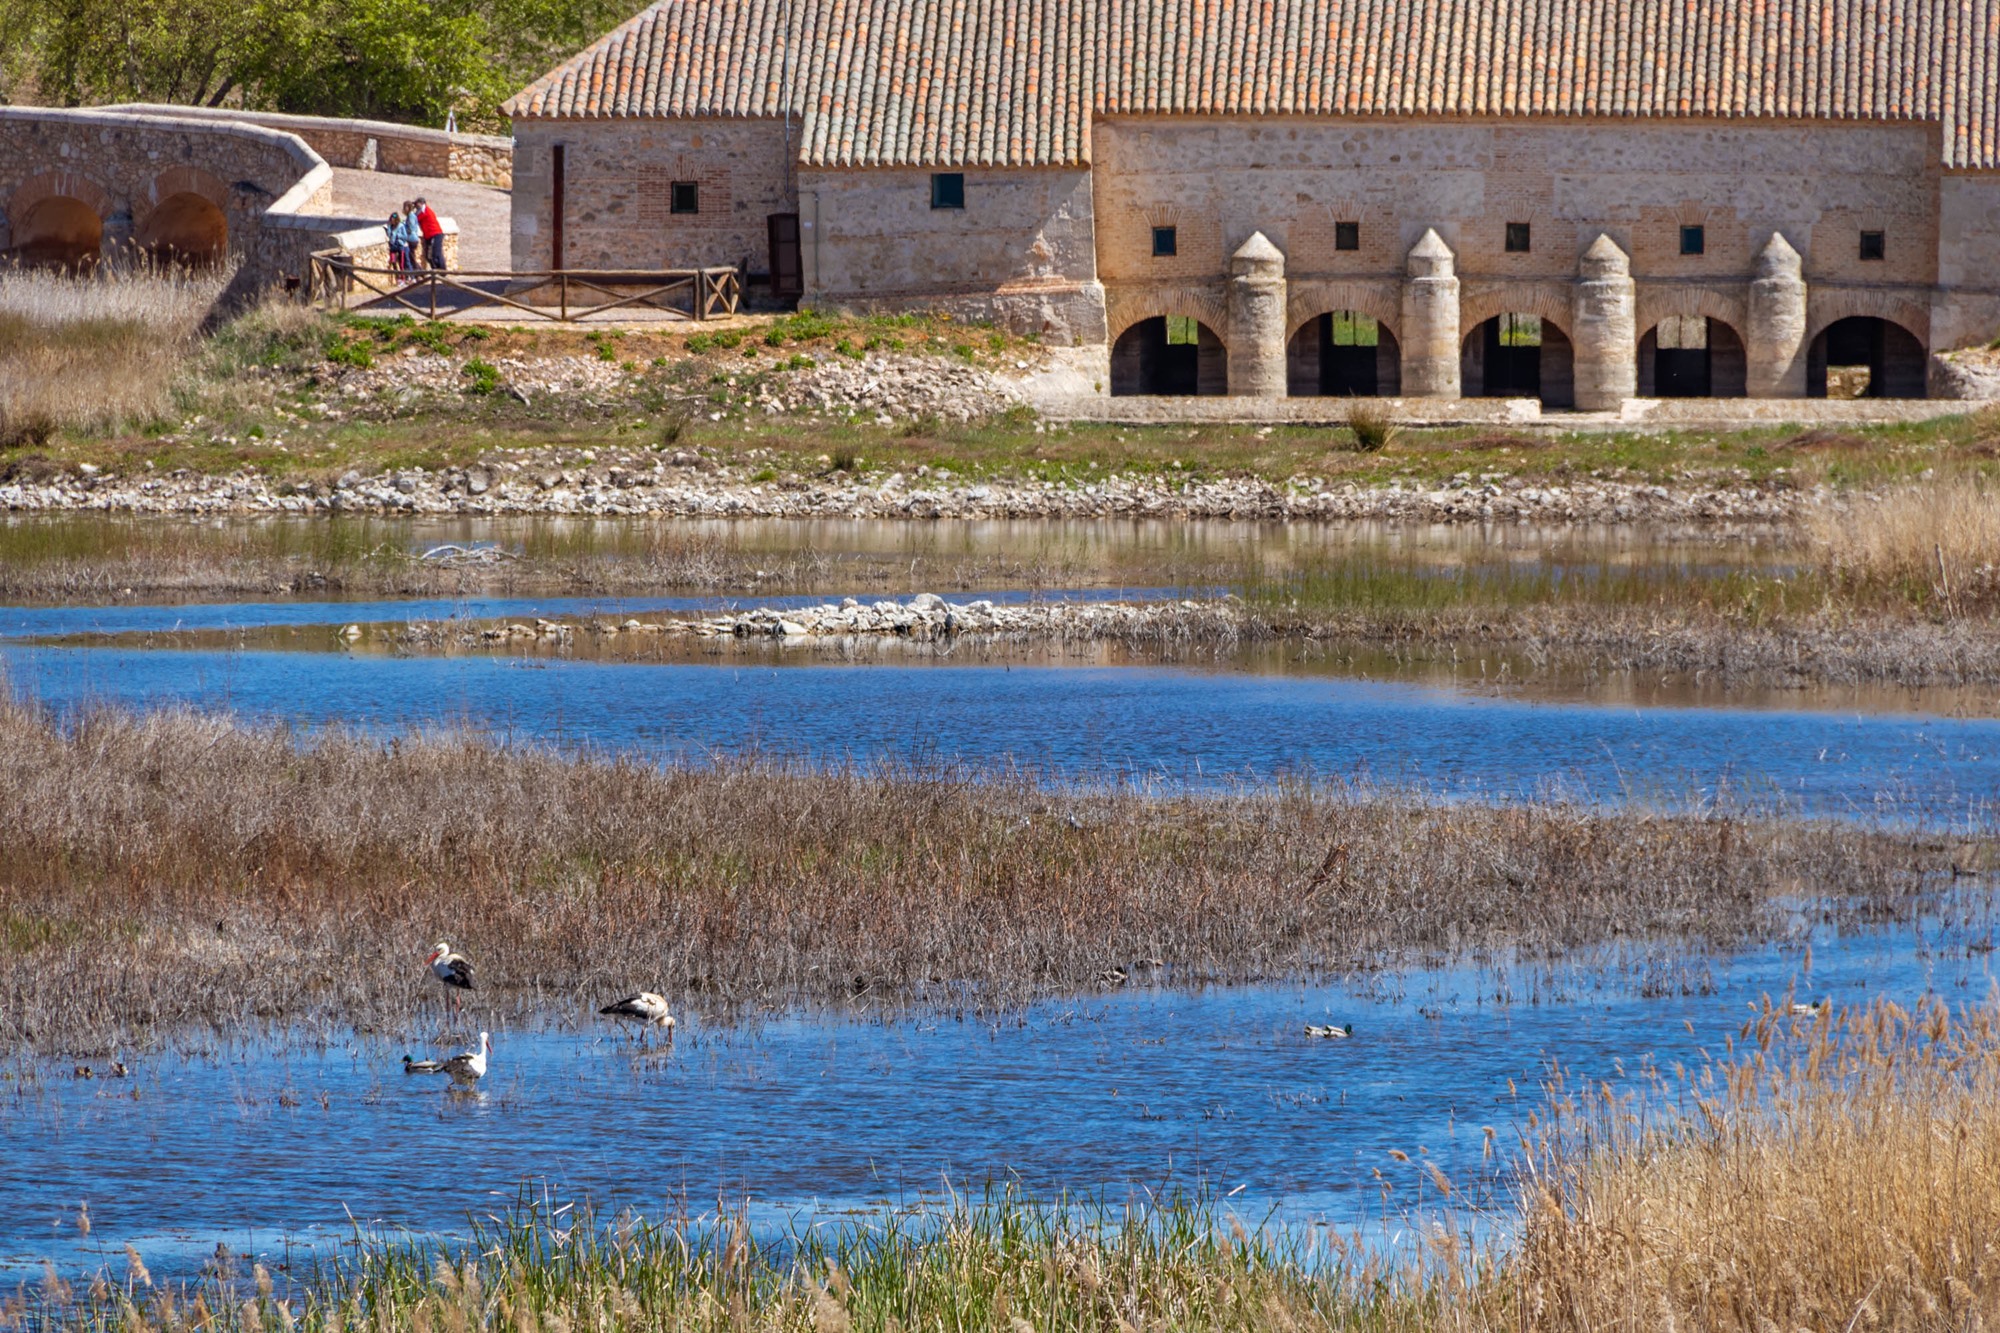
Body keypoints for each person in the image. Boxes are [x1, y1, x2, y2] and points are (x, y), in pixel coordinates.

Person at [415, 197, 445, 272]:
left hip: (435, 234)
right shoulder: (423, 211)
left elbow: (416, 218)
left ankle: (441, 271)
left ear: (422, 203)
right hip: (429, 235)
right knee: (429, 255)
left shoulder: (426, 211)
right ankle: (436, 270)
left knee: (435, 253)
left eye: (417, 204)